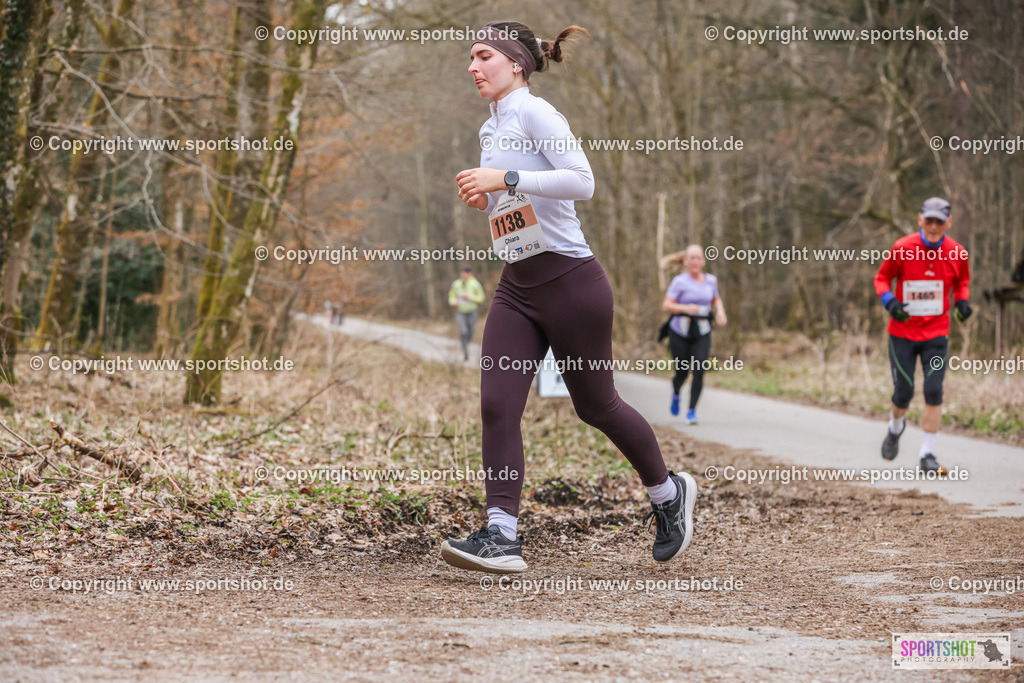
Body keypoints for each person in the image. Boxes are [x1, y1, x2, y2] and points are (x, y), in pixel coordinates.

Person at [440, 21, 697, 574]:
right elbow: (512, 201)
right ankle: (502, 535)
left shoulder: (537, 113)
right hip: (517, 284)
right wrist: (484, 199)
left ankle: (668, 494)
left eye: (483, 56)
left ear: (515, 63)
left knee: (595, 405)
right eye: (470, 57)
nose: (473, 67)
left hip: (571, 284)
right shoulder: (492, 128)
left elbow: (582, 181)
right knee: (496, 405)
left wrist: (503, 178)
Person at [874, 197, 971, 474]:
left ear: (948, 223)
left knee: (933, 389)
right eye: (928, 220)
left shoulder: (957, 253)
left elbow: (962, 282)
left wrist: (962, 302)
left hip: (936, 335)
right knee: (903, 393)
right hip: (902, 333)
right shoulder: (903, 248)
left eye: (939, 221)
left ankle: (927, 453)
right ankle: (895, 428)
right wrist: (891, 303)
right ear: (920, 220)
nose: (933, 226)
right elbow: (881, 279)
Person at [661, 246, 727, 424]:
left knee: (699, 370)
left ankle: (691, 412)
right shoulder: (679, 282)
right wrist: (685, 308)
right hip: (679, 330)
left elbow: (715, 299)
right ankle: (676, 393)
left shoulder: (711, 280)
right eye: (692, 258)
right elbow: (666, 305)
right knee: (682, 372)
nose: (695, 262)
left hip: (702, 330)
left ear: (703, 261)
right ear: (685, 261)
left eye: (698, 258)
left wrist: (720, 311)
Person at [448, 266, 485, 361]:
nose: (465, 275)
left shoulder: (475, 284)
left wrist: (470, 297)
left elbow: (481, 298)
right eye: (464, 273)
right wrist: (453, 302)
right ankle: (465, 351)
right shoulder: (456, 284)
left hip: (472, 311)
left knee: (471, 331)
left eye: (467, 273)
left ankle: (466, 344)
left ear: (471, 274)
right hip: (460, 311)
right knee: (464, 331)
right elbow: (451, 297)